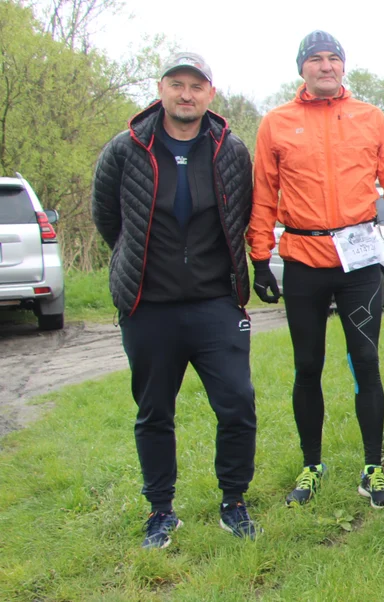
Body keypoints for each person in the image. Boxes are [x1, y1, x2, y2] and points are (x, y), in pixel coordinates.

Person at [92, 52, 258, 548]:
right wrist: (137, 265)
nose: (186, 94)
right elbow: (108, 218)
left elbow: (242, 214)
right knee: (154, 411)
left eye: (196, 85)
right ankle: (160, 510)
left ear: (210, 93)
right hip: (149, 305)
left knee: (237, 404)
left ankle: (234, 502)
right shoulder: (125, 149)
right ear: (161, 89)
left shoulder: (231, 151)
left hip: (216, 304)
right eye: (177, 84)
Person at [249, 31, 384, 510]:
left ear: (343, 67)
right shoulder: (277, 123)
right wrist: (260, 257)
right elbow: (263, 193)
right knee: (308, 367)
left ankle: (371, 468)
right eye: (315, 60)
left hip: (360, 259)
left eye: (333, 59)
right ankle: (311, 465)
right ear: (301, 68)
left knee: (365, 363)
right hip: (303, 259)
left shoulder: (369, 118)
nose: (325, 67)